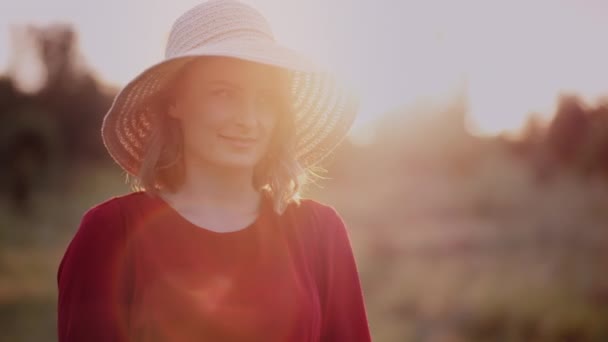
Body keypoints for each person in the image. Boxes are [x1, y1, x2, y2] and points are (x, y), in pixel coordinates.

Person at [56, 0, 371, 341]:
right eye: (224, 93)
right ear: (175, 101)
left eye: (265, 98)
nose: (248, 120)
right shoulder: (111, 234)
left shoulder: (319, 233)